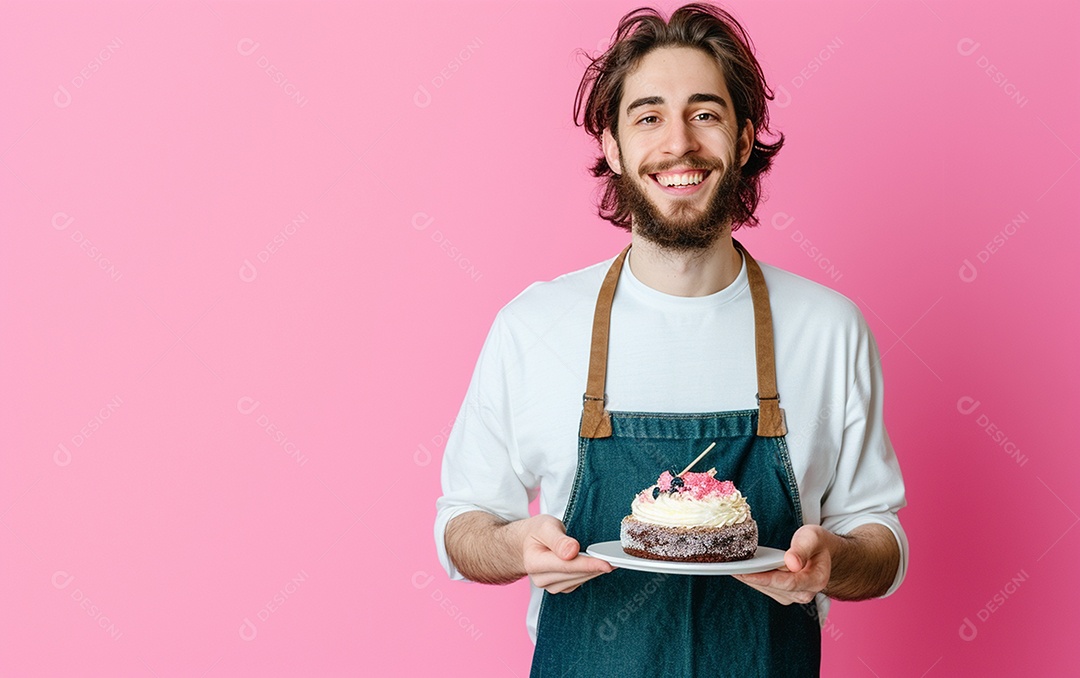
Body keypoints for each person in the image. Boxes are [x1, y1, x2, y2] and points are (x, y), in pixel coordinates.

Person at [434, 4, 907, 676]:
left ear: (744, 140)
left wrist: (834, 561)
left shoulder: (829, 328)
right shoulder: (532, 326)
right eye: (649, 115)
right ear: (613, 145)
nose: (678, 143)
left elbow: (882, 542)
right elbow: (461, 526)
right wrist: (514, 546)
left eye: (705, 113)